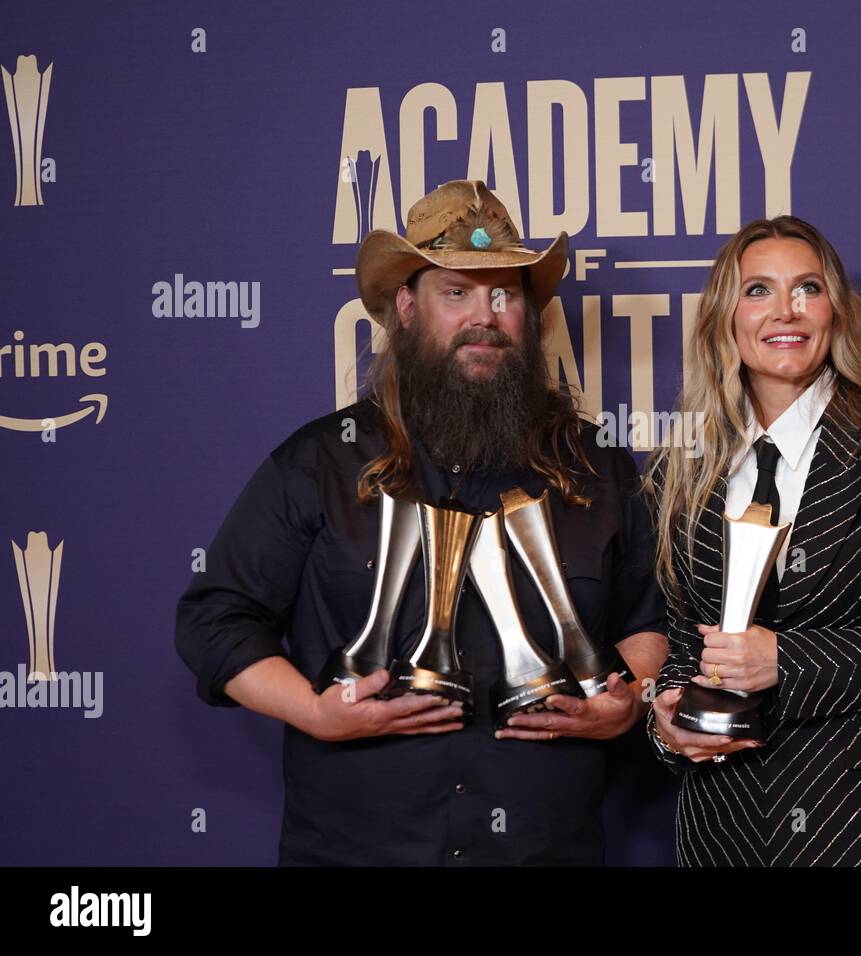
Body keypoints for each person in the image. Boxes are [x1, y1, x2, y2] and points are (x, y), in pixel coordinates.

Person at [175, 179, 667, 866]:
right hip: (356, 850)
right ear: (406, 308)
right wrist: (315, 711)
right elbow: (215, 621)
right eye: (456, 292)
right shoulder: (320, 462)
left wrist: (632, 701)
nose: (484, 316)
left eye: (504, 293)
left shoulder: (598, 469)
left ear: (529, 314)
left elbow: (645, 625)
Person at [642, 215, 861, 866]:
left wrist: (788, 659)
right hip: (722, 826)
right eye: (758, 290)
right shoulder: (679, 471)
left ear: (836, 312)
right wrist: (665, 724)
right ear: (724, 316)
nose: (786, 310)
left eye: (807, 287)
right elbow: (687, 650)